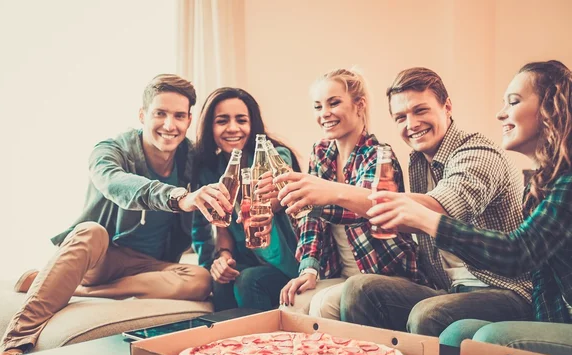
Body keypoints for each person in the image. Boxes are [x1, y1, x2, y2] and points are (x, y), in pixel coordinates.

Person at [0, 74, 230, 355]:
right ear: (143, 116)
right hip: (102, 254)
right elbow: (116, 184)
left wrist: (219, 258)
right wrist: (177, 197)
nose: (170, 124)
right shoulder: (110, 150)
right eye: (160, 113)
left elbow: (201, 225)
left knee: (199, 278)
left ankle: (76, 286)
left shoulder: (192, 158)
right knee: (91, 231)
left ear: (189, 120)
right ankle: (9, 353)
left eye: (179, 116)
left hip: (150, 265)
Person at [383, 60, 572, 355]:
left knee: (488, 337)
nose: (500, 113)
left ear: (551, 109)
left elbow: (518, 253)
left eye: (513, 102)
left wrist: (429, 220)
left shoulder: (567, 185)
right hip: (550, 315)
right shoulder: (541, 186)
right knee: (458, 333)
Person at [329, 67, 533, 335]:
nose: (411, 124)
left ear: (447, 106)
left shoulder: (477, 152)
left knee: (428, 313)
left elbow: (440, 209)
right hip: (447, 288)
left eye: (420, 110)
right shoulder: (417, 162)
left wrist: (332, 192)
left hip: (506, 290)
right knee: (360, 288)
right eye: (401, 117)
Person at [275, 68, 422, 320]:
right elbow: (312, 221)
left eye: (334, 103)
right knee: (291, 304)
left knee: (324, 305)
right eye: (318, 107)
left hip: (384, 272)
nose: (325, 114)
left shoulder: (378, 154)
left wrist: (315, 198)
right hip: (339, 272)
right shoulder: (321, 153)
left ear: (359, 105)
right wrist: (308, 269)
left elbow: (365, 208)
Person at [191, 87, 300, 312]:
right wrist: (223, 257)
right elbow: (223, 228)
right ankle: (225, 346)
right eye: (222, 121)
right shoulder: (210, 171)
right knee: (222, 282)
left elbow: (278, 196)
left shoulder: (274, 155)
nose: (233, 128)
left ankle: (262, 346)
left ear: (253, 125)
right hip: (250, 259)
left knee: (248, 281)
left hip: (290, 265)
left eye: (241, 120)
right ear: (210, 127)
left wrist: (268, 202)